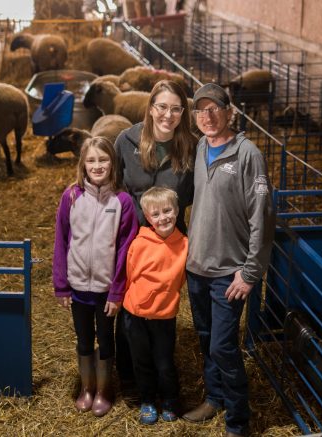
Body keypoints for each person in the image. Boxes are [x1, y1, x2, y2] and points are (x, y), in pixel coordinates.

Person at [182, 83, 275, 437]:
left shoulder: (248, 154)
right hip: (197, 267)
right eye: (200, 110)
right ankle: (214, 397)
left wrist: (251, 273)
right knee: (206, 339)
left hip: (229, 272)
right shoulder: (200, 146)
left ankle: (238, 420)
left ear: (229, 111)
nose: (207, 116)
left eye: (214, 108)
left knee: (223, 345)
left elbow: (262, 216)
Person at [114, 79, 198, 383]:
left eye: (176, 109)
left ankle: (162, 374)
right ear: (151, 108)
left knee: (162, 306)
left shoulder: (192, 146)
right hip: (132, 240)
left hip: (170, 244)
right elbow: (114, 187)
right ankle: (128, 376)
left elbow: (196, 195)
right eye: (162, 106)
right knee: (128, 305)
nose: (168, 114)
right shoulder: (126, 140)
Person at [52, 136, 138, 417]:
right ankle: (87, 388)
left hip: (105, 289)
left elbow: (126, 249)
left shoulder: (122, 201)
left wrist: (117, 291)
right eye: (91, 160)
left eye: (103, 159)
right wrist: (61, 285)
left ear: (112, 163)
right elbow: (61, 240)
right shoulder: (72, 197)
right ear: (83, 164)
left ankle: (104, 389)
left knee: (106, 337)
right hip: (77, 287)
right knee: (84, 338)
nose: (97, 165)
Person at [123, 186, 188, 425]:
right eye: (156, 214)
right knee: (142, 361)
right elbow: (130, 274)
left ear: (177, 210)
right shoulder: (140, 243)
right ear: (148, 217)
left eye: (168, 210)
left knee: (164, 362)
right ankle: (148, 400)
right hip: (136, 314)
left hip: (164, 316)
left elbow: (180, 279)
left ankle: (170, 401)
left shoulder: (184, 245)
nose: (163, 217)